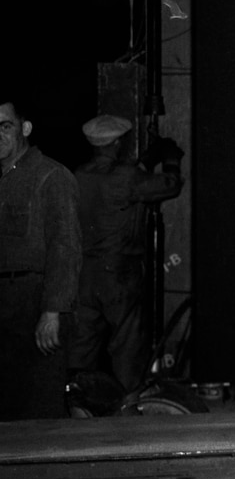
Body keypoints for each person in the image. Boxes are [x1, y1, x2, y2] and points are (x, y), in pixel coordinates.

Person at [72, 114, 184, 392]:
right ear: (118, 143)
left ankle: (76, 408)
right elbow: (170, 185)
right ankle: (127, 412)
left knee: (81, 350)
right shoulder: (126, 177)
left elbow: (121, 180)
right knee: (127, 350)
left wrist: (146, 159)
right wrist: (171, 158)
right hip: (118, 277)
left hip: (84, 276)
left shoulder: (78, 176)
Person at [0, 96, 81, 420]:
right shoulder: (4, 179)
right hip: (6, 305)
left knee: (39, 408)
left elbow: (66, 247)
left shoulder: (51, 177)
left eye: (5, 126)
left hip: (33, 304)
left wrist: (52, 312)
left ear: (25, 128)